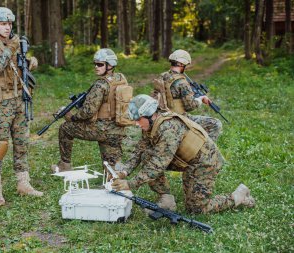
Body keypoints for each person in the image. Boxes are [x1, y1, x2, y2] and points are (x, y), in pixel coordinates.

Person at [112, 95, 255, 214]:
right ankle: (166, 200)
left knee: (196, 209)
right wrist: (124, 172)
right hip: (187, 159)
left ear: (150, 115)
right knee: (147, 155)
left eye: (138, 120)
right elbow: (140, 150)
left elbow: (157, 165)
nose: (137, 124)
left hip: (203, 163)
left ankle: (237, 197)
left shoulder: (168, 129)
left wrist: (129, 184)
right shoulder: (152, 124)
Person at [0, 7, 43, 207]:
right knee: (0, 146)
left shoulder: (14, 44)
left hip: (19, 100)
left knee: (22, 143)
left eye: (10, 24)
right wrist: (12, 48)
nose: (7, 27)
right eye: (3, 24)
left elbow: (15, 66)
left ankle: (24, 184)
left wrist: (30, 62)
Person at [52, 48, 131, 172]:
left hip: (101, 129)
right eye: (95, 64)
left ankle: (64, 165)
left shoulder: (100, 85)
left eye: (100, 64)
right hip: (118, 127)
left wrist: (71, 117)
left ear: (110, 65)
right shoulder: (121, 79)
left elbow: (88, 112)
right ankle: (115, 175)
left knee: (65, 128)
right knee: (112, 165)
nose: (96, 67)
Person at [151, 49, 222, 142]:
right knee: (216, 124)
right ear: (181, 64)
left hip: (161, 116)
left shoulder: (163, 76)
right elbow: (190, 106)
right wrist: (200, 99)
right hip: (178, 118)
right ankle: (203, 149)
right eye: (185, 65)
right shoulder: (182, 82)